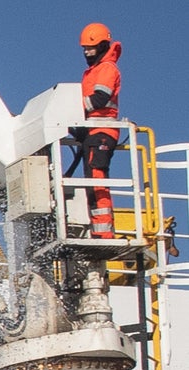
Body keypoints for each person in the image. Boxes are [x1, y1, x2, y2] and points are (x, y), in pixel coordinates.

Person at [69, 24, 123, 239]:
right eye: (84, 48)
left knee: (97, 181)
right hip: (92, 132)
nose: (86, 52)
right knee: (91, 182)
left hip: (102, 131)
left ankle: (104, 233)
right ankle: (99, 229)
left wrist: (71, 109)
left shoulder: (107, 69)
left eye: (90, 48)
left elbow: (99, 99)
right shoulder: (95, 70)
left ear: (102, 45)